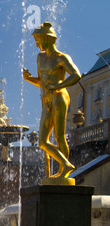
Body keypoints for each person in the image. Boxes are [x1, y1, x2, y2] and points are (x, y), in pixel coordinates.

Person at [23, 22, 81, 181]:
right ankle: (65, 164)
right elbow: (42, 81)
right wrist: (29, 79)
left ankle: (64, 172)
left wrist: (59, 85)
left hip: (59, 96)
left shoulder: (61, 58)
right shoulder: (40, 57)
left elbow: (76, 75)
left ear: (47, 39)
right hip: (46, 99)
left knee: (59, 135)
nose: (36, 44)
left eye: (38, 40)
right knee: (42, 141)